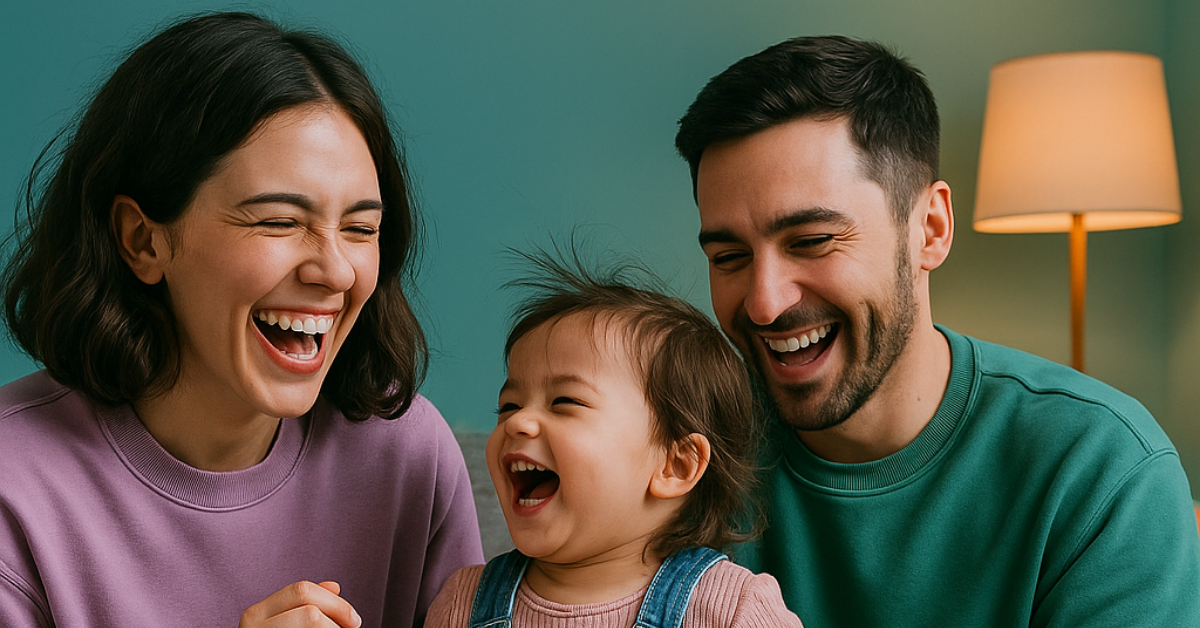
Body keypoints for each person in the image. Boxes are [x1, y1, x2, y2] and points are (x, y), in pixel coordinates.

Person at [673, 35, 1200, 626]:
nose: (765, 304)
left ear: (929, 228)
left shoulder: (1101, 470)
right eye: (729, 257)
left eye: (812, 242)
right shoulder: (676, 457)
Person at [0, 12, 483, 627]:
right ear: (143, 241)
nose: (334, 271)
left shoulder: (410, 454)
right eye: (279, 221)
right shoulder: (12, 487)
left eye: (361, 229)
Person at [424, 254, 803, 627]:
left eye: (564, 402)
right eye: (509, 405)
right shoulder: (463, 603)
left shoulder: (730, 610)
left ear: (676, 466)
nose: (518, 421)